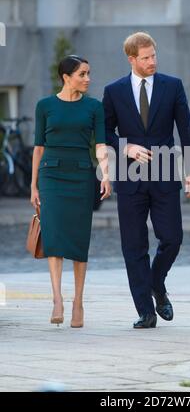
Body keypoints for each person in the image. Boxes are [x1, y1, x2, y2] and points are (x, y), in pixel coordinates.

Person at [103, 32, 190, 329]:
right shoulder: (114, 91)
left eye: (154, 55)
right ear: (132, 59)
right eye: (145, 58)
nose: (152, 61)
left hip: (166, 174)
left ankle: (157, 282)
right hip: (130, 178)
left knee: (172, 238)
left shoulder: (173, 86)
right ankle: (145, 310)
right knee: (134, 245)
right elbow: (103, 132)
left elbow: (187, 130)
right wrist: (125, 147)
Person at [30, 55, 111, 328]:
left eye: (89, 73)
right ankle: (57, 299)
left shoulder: (94, 107)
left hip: (80, 175)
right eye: (82, 74)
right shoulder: (45, 106)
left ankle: (78, 301)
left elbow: (100, 144)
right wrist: (33, 185)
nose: (88, 79)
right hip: (51, 175)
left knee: (78, 237)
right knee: (53, 235)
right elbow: (38, 147)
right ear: (66, 77)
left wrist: (106, 174)